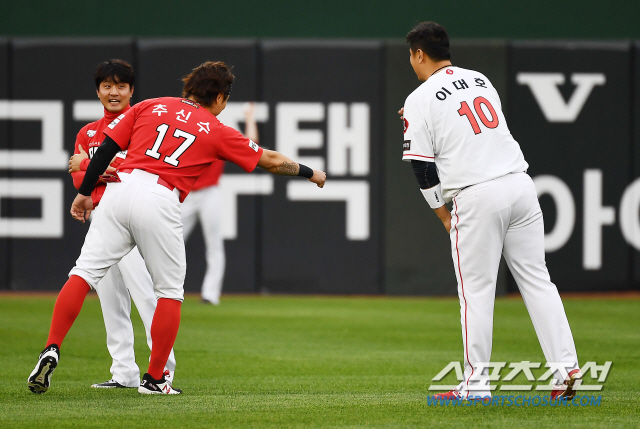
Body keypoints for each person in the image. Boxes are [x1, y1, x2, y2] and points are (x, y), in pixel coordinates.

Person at [28, 60, 326, 395]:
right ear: (220, 98)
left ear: (189, 88)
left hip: (119, 190)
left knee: (82, 274)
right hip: (160, 196)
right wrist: (309, 172)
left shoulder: (150, 105)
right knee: (168, 292)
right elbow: (269, 160)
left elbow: (108, 147)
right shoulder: (216, 129)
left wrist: (84, 194)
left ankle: (51, 346)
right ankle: (155, 379)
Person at [400, 22, 581, 401]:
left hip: (477, 196)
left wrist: (443, 214)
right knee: (537, 281)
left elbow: (421, 166)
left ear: (419, 54)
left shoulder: (419, 97)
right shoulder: (480, 79)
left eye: (412, 56)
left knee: (476, 294)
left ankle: (476, 386)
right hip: (520, 185)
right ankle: (566, 368)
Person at [67, 59, 176, 389]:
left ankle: (162, 371)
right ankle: (124, 373)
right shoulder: (88, 132)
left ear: (132, 91)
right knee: (110, 298)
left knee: (146, 293)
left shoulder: (142, 125)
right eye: (107, 86)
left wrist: (91, 163)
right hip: (103, 216)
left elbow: (136, 167)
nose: (114, 92)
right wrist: (97, 167)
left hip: (135, 217)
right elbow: (77, 181)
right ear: (98, 91)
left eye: (121, 86)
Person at [181, 103, 259, 305]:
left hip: (209, 193)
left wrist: (250, 118)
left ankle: (210, 294)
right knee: (170, 243)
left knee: (214, 246)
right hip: (185, 194)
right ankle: (160, 291)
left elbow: (252, 144)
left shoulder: (218, 133)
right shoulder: (186, 129)